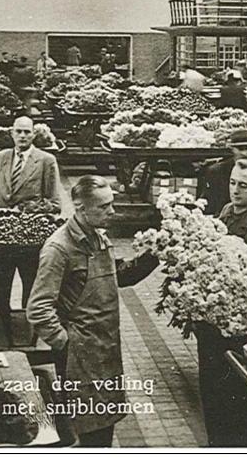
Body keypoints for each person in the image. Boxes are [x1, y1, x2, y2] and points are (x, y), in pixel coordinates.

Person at [26, 176, 159, 447]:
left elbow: (118, 275)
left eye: (111, 205)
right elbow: (38, 308)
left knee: (104, 424)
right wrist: (66, 344)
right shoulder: (59, 249)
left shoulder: (97, 235)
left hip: (105, 349)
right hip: (80, 356)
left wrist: (155, 255)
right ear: (80, 207)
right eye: (103, 207)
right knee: (88, 430)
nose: (112, 212)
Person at [196, 158, 247, 448]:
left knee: (241, 403)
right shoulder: (228, 211)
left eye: (244, 186)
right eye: (232, 183)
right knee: (213, 396)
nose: (235, 190)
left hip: (236, 332)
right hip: (212, 323)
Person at [0, 116, 61, 312]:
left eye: (27, 132)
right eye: (18, 131)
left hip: (29, 236)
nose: (22, 136)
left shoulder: (46, 161)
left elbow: (54, 204)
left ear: (34, 134)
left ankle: (31, 326)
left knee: (31, 283)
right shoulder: (0, 158)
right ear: (11, 133)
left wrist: (27, 210)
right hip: (1, 235)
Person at [197, 128, 247, 215]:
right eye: (240, 149)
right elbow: (208, 201)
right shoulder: (217, 171)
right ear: (232, 149)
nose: (245, 153)